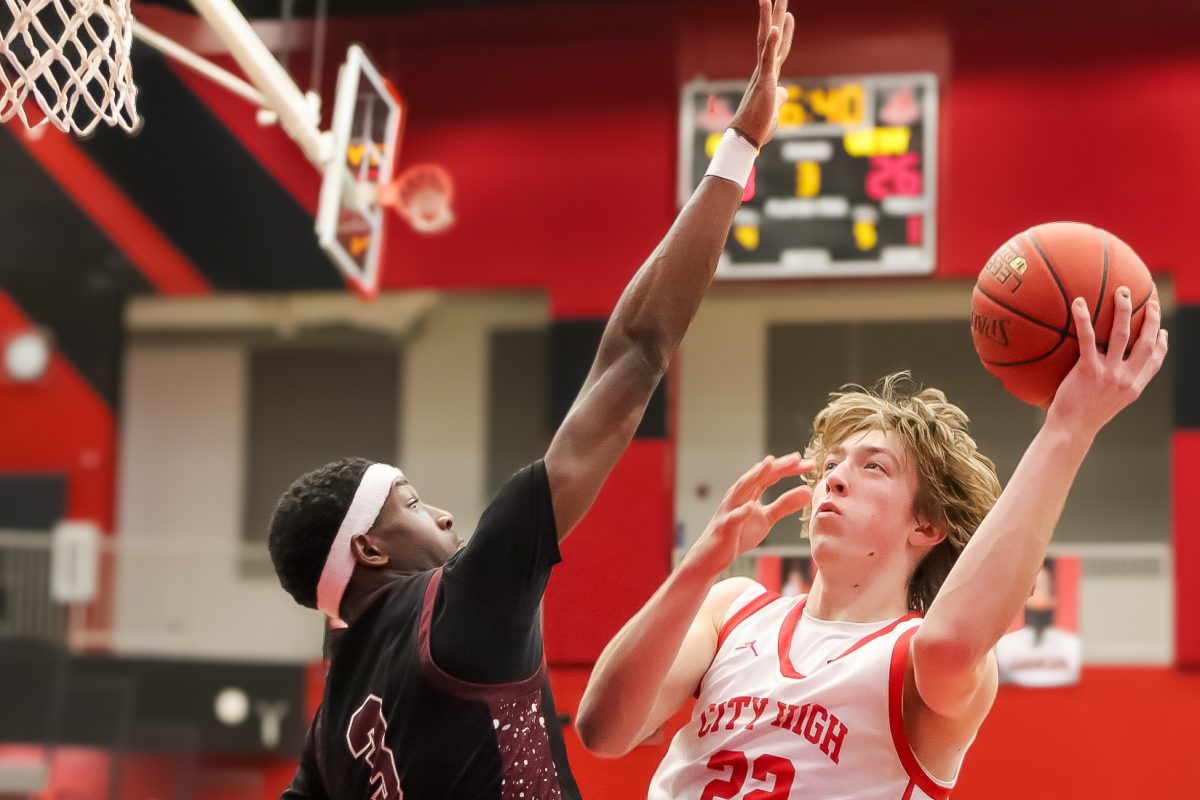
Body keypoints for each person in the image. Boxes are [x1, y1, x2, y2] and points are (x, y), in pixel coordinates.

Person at [269, 2, 796, 797]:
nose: (443, 516)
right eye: (410, 504)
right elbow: (638, 350)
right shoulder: (462, 603)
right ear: (369, 549)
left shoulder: (330, 735)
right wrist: (741, 145)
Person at [577, 290, 1167, 799]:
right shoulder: (731, 608)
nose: (833, 477)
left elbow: (953, 643)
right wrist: (698, 566)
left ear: (926, 526)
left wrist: (1068, 428)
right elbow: (604, 730)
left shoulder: (917, 657)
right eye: (832, 464)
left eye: (874, 468)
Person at [994, 558, 1082, 687]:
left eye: (1041, 587)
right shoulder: (1006, 644)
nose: (1034, 595)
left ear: (1053, 598)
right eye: (1032, 589)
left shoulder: (1071, 644)